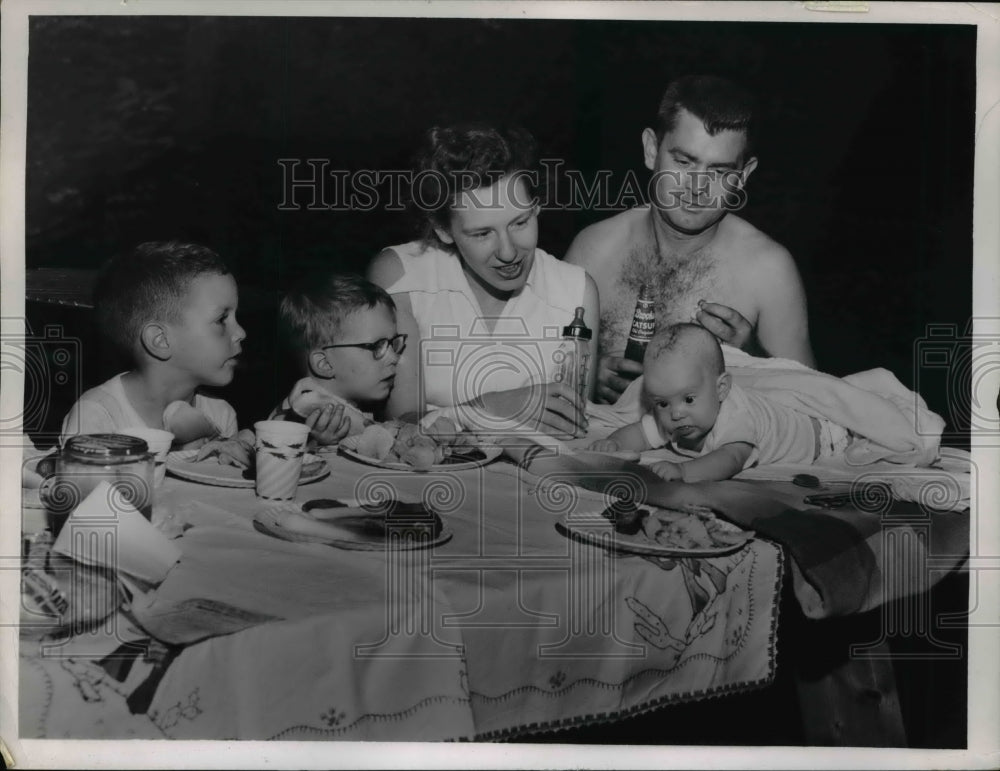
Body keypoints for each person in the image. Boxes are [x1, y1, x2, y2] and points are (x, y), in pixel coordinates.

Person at [565, 74, 816, 405]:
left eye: (720, 172)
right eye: (684, 162)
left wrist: (751, 361)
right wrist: (584, 376)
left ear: (743, 176)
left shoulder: (769, 271)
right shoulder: (593, 250)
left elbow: (816, 406)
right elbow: (535, 374)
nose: (697, 187)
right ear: (651, 149)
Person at [368, 124, 599, 437]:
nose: (507, 252)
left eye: (520, 222)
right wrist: (489, 408)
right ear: (443, 230)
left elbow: (570, 429)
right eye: (482, 233)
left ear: (537, 206)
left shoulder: (576, 292)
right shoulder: (401, 276)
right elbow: (400, 430)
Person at [60, 241, 249, 461]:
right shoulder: (97, 417)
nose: (241, 332)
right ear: (160, 340)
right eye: (222, 319)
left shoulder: (220, 415)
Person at [589, 323, 848, 482]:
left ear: (721, 388)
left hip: (819, 433)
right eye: (662, 404)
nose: (676, 413)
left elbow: (731, 458)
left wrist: (684, 472)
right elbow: (641, 433)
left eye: (689, 399)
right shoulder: (676, 412)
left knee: (849, 425)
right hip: (775, 413)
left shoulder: (735, 416)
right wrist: (614, 442)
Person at [269, 274, 402, 446]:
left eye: (393, 343)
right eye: (377, 346)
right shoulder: (294, 417)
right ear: (324, 364)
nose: (394, 357)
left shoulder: (356, 405)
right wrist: (315, 443)